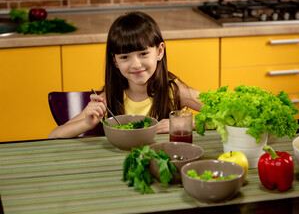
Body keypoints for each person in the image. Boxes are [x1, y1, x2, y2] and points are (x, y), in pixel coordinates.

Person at [48, 11, 201, 139]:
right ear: (115, 61)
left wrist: (184, 123)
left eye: (143, 53)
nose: (135, 64)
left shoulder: (174, 91)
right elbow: (54, 135)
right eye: (124, 57)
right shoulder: (109, 97)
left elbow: (223, 114)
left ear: (159, 51)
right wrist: (87, 124)